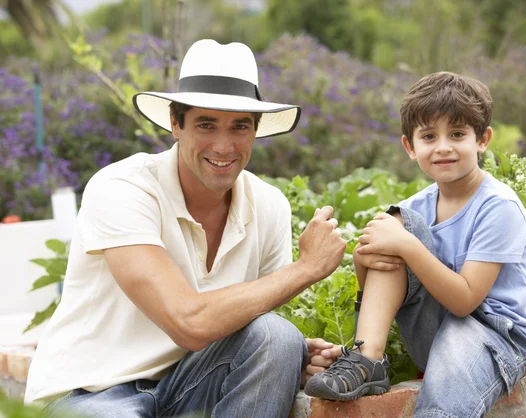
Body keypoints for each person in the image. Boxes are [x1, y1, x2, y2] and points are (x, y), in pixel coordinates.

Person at [25, 39, 346, 418]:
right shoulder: (123, 188)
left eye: (240, 126)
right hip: (92, 393)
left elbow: (250, 321)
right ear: (175, 124)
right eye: (206, 124)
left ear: (256, 130)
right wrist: (306, 267)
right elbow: (189, 322)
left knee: (277, 338)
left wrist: (296, 354)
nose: (224, 146)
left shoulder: (268, 205)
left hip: (188, 383)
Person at [304, 72, 526, 417]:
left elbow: (464, 301)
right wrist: (366, 260)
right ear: (410, 147)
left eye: (457, 134)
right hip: (438, 326)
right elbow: (388, 291)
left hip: (495, 337)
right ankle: (366, 360)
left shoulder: (499, 208)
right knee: (397, 221)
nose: (443, 146)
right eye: (429, 136)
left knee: (441, 406)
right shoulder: (414, 209)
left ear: (483, 139)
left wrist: (406, 246)